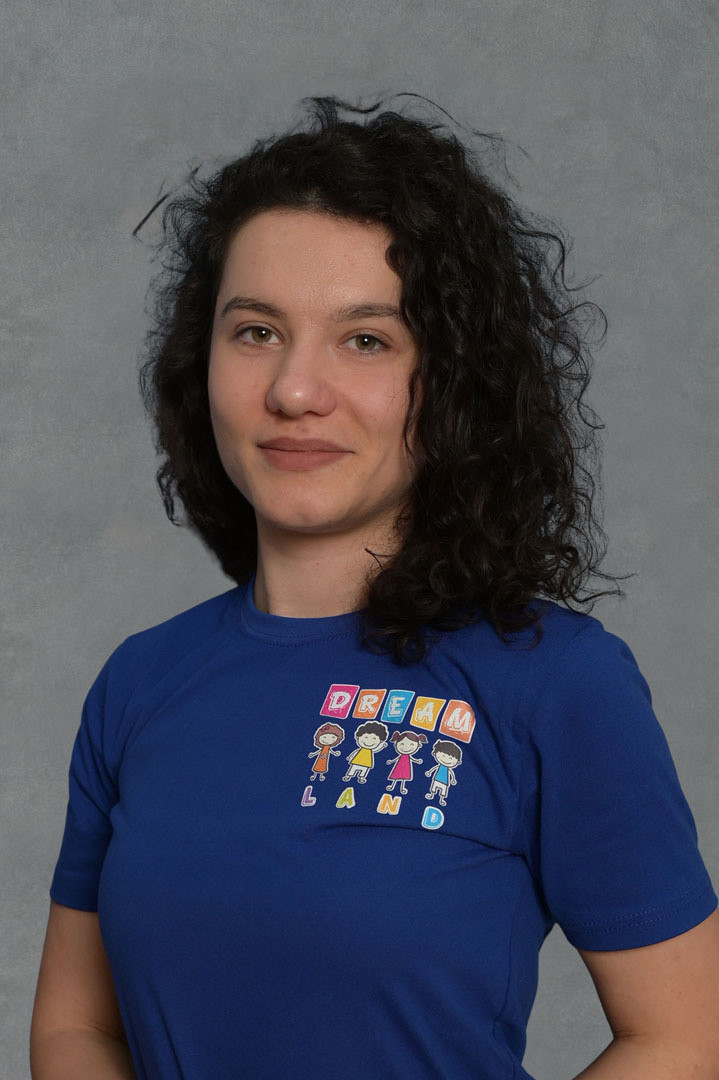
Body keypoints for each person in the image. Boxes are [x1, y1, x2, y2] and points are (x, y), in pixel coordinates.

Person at [30, 93, 719, 1079]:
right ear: (200, 359)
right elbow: (77, 1029)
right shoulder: (139, 684)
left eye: (365, 340)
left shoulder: (554, 683)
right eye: (255, 331)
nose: (293, 390)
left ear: (453, 380)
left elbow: (684, 1037)